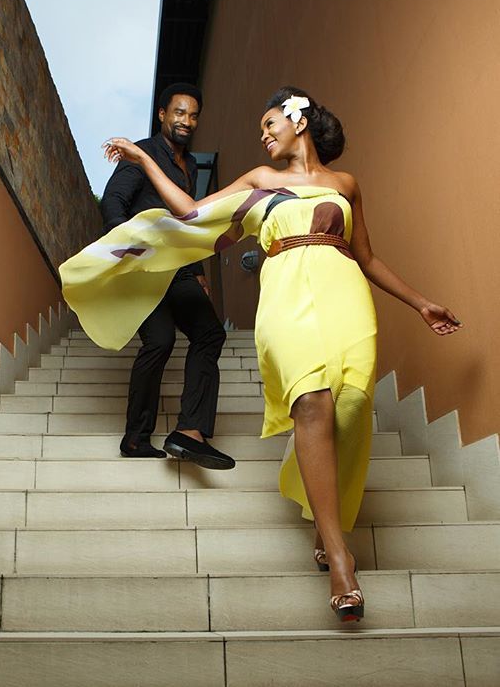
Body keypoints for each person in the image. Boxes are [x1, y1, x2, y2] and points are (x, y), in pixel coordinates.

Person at [83, 86, 462, 622]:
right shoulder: (260, 179)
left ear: (298, 119)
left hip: (345, 294)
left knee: (352, 408)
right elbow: (190, 212)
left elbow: (368, 257)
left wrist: (421, 303)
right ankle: (339, 556)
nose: (262, 135)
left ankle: (320, 512)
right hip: (285, 296)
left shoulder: (346, 185)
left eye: (269, 123)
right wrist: (143, 159)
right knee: (311, 401)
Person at [98, 83, 234, 470]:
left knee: (210, 333)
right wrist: (127, 248)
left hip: (178, 269)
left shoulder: (191, 166)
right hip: (142, 264)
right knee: (159, 340)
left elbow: (186, 222)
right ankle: (136, 437)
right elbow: (114, 201)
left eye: (193, 115)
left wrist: (197, 269)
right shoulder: (143, 153)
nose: (186, 121)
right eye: (179, 113)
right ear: (162, 115)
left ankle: (190, 431)